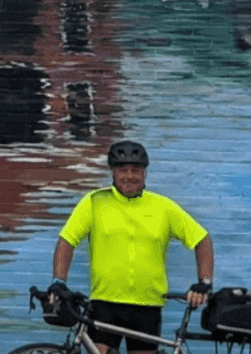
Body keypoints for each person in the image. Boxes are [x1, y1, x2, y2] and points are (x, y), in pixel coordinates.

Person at [48, 141, 214, 354]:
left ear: (145, 173)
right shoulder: (94, 202)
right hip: (105, 303)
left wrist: (204, 282)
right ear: (113, 173)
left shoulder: (162, 206)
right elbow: (67, 241)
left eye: (136, 170)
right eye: (122, 170)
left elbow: (202, 240)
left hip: (147, 305)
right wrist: (58, 281)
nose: (129, 176)